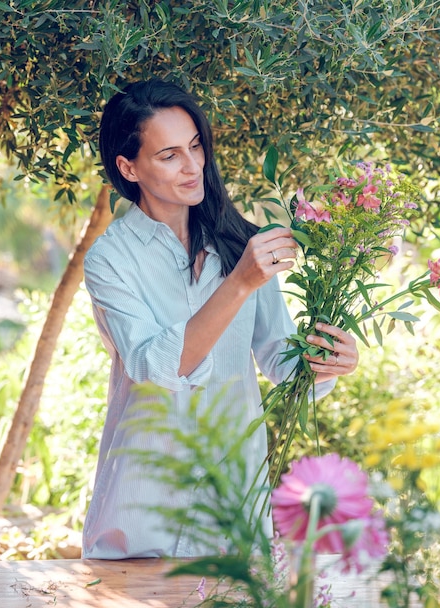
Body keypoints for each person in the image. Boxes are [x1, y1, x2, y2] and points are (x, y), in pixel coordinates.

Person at [82, 78, 359, 559]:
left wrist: (329, 361)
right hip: (144, 512)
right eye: (169, 156)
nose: (193, 167)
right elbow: (156, 366)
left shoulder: (242, 243)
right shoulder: (110, 260)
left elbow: (282, 361)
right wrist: (238, 284)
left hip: (232, 506)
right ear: (128, 167)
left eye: (195, 146)